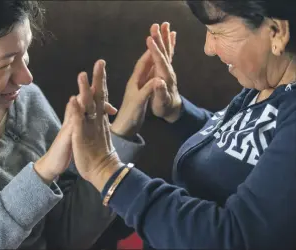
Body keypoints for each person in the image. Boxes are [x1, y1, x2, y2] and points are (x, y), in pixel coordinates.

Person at [0, 1, 164, 249]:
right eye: (5, 64)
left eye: (25, 53)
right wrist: (42, 172)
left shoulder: (26, 100)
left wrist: (123, 128)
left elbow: (65, 235)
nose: (26, 77)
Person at [67, 0, 296, 249]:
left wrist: (107, 170)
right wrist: (177, 111)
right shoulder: (267, 84)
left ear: (277, 32)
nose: (209, 48)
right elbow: (247, 151)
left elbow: (234, 237)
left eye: (218, 32)